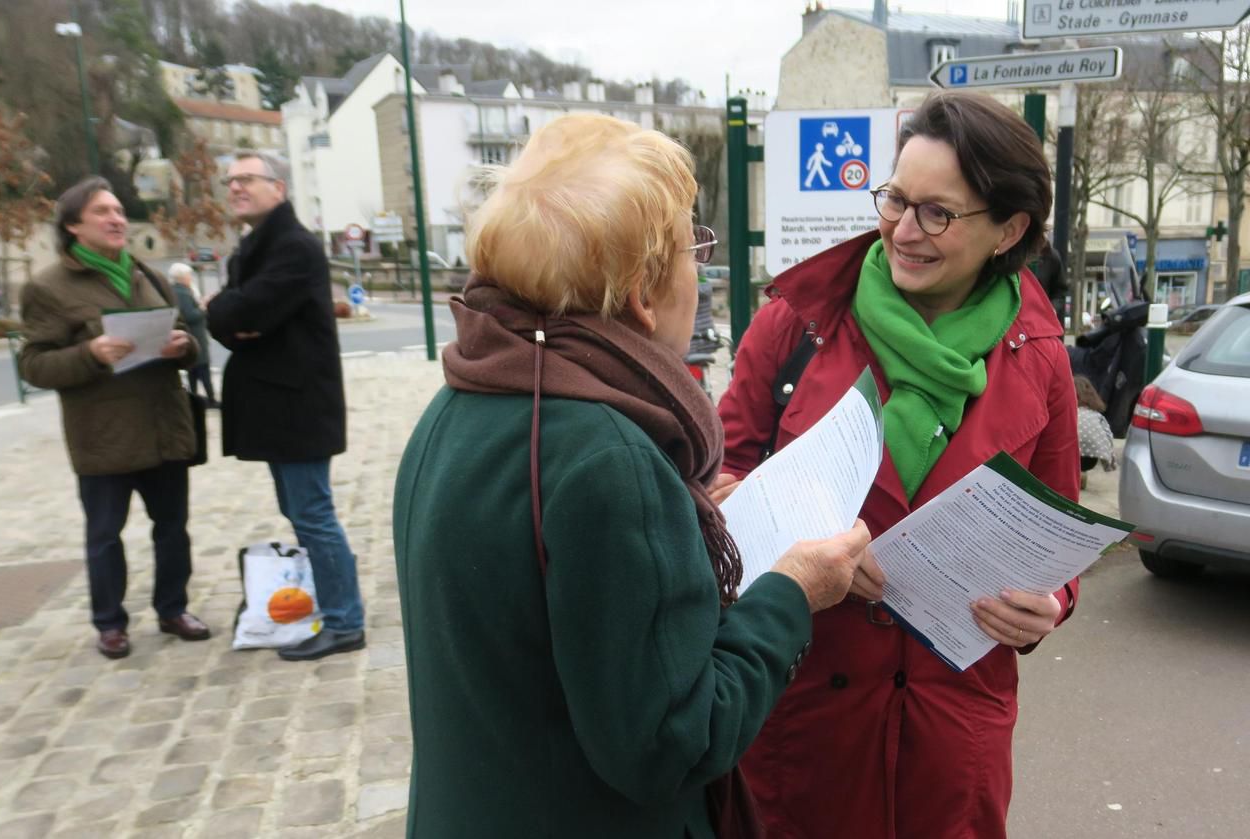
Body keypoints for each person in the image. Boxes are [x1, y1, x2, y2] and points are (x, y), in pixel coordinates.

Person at [392, 113, 873, 837]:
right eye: (692, 249)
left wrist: (680, 518)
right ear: (643, 294)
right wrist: (793, 593)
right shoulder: (610, 459)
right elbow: (672, 741)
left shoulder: (463, 399)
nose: (700, 271)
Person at [716, 92, 1081, 838]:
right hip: (806, 716)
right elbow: (715, 488)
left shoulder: (1042, 359)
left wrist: (1052, 604)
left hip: (953, 735)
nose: (902, 230)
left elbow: (1058, 531)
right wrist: (805, 547)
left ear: (1009, 229)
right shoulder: (799, 323)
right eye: (895, 199)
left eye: (937, 213)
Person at [19, 177, 211, 659]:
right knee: (105, 535)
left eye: (120, 210)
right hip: (103, 436)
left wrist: (183, 346)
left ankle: (173, 608)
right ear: (73, 226)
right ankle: (110, 623)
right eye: (103, 212)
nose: (117, 219)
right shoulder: (48, 287)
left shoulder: (150, 274)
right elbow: (34, 365)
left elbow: (187, 337)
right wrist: (91, 352)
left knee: (173, 527)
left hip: (163, 425)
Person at [206, 151, 365, 662]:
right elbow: (230, 320)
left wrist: (230, 312)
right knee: (301, 512)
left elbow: (244, 310)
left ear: (278, 187)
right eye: (230, 180)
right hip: (278, 405)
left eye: (246, 178)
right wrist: (230, 316)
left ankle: (345, 622)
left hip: (297, 406)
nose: (235, 187)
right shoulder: (255, 248)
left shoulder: (293, 248)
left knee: (313, 514)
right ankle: (336, 605)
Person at [168, 262, 219, 408]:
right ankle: (210, 400)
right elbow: (190, 315)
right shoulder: (182, 292)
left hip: (189, 334)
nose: (190, 278)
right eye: (189, 275)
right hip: (195, 335)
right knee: (202, 369)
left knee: (193, 371)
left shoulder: (176, 290)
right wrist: (204, 307)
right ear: (182, 277)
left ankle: (195, 399)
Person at [1074, 374, 1116, 489]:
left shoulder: (1069, 414)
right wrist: (1109, 463)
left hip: (1070, 455)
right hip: (1091, 459)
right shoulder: (1097, 416)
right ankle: (1082, 472)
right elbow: (1108, 436)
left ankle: (1075, 474)